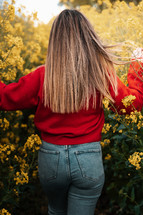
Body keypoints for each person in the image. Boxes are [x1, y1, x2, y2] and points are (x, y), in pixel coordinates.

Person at [0, 9, 143, 215]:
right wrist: (138, 67)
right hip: (88, 159)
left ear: (55, 41)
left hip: (50, 159)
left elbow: (5, 98)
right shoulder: (100, 73)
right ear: (88, 38)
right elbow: (130, 106)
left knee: (56, 210)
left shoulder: (43, 75)